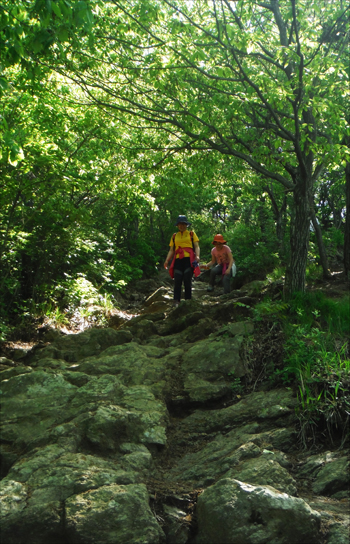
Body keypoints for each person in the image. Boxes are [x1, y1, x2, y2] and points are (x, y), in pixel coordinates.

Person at [164, 215, 200, 306]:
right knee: (178, 279)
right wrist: (167, 260)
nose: (181, 226)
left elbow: (196, 246)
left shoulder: (191, 234)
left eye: (183, 224)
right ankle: (176, 300)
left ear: (186, 225)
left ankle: (188, 300)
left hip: (189, 259)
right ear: (177, 225)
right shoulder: (174, 236)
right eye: (180, 224)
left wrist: (198, 256)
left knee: (187, 279)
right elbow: (172, 250)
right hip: (178, 259)